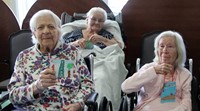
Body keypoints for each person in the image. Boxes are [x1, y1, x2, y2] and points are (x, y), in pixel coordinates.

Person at [7, 9, 94, 111]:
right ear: (34, 33)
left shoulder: (72, 53)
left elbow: (88, 85)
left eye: (51, 26)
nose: (46, 31)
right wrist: (36, 86)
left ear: (59, 30)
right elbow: (13, 96)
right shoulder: (24, 57)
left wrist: (78, 103)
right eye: (40, 27)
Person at [62, 7, 128, 111]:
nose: (97, 22)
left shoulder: (106, 34)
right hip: (75, 63)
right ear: (87, 20)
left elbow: (119, 47)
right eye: (94, 19)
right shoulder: (74, 33)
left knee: (101, 78)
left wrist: (103, 40)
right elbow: (61, 49)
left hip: (99, 62)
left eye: (101, 21)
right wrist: (76, 43)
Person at [121, 30, 192, 111]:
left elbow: (187, 103)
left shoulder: (185, 74)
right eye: (161, 46)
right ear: (157, 49)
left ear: (178, 51)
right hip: (148, 107)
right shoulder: (148, 68)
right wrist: (153, 71)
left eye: (170, 46)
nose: (165, 50)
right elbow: (125, 87)